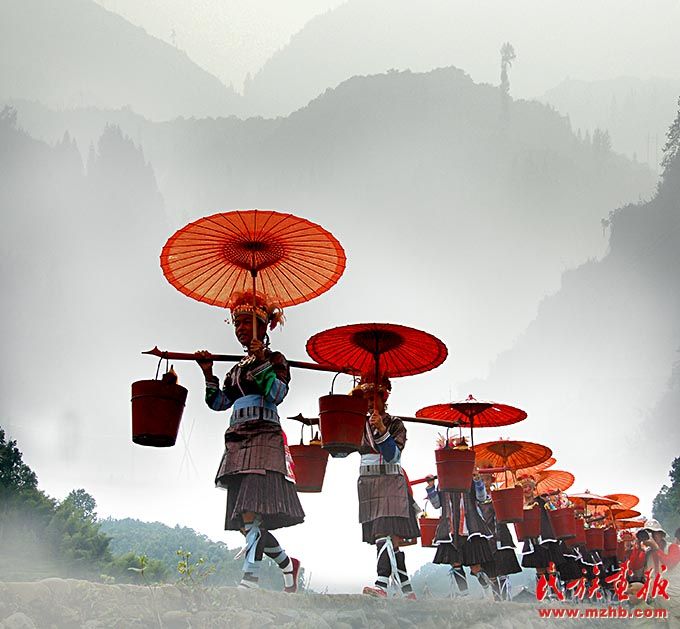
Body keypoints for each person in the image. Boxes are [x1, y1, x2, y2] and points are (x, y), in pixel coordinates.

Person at [195, 291, 303, 591]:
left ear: (262, 327)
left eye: (246, 323)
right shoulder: (236, 369)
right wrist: (208, 373)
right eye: (237, 324)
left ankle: (249, 580)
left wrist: (262, 361)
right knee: (246, 520)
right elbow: (218, 403)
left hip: (264, 437)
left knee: (253, 514)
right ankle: (287, 564)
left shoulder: (276, 360)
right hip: (236, 440)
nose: (240, 329)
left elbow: (277, 394)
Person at [352, 375, 420, 599]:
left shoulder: (396, 424)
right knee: (392, 541)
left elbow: (393, 456)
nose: (369, 403)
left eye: (373, 398)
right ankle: (408, 591)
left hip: (391, 482)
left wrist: (382, 429)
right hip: (368, 483)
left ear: (383, 399)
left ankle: (381, 585)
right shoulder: (358, 424)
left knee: (384, 532)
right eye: (365, 399)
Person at [426, 440, 495, 598]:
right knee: (455, 564)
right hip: (450, 529)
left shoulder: (470, 478)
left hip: (470, 529)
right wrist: (430, 487)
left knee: (475, 566)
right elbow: (436, 504)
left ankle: (487, 592)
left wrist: (477, 480)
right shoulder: (442, 481)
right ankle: (465, 595)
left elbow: (482, 498)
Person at [477, 465, 522, 601]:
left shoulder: (499, 496)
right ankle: (496, 599)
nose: (485, 483)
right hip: (484, 537)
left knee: (503, 570)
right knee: (489, 571)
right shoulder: (475, 499)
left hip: (501, 535)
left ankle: (505, 599)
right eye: (482, 480)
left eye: (487, 479)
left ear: (491, 481)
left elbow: (509, 511)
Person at [517, 474, 564, 594]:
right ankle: (544, 595)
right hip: (532, 539)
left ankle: (555, 594)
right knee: (539, 568)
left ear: (534, 488)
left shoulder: (541, 500)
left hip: (546, 537)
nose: (526, 489)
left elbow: (554, 511)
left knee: (550, 566)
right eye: (524, 487)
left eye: (529, 486)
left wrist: (551, 500)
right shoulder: (519, 505)